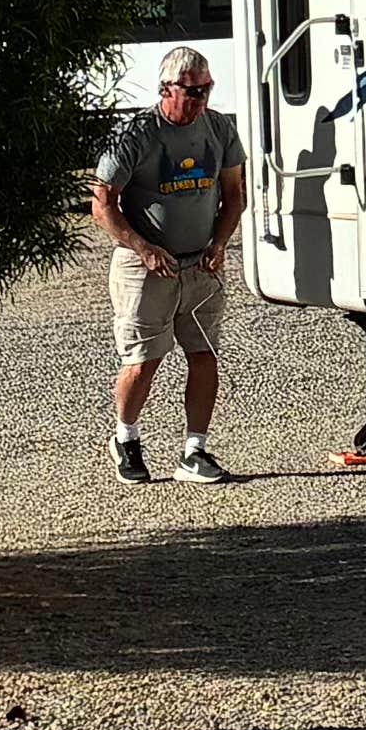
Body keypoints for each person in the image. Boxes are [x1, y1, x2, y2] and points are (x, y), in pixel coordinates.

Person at [96, 50, 246, 483]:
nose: (201, 98)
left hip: (200, 264)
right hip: (146, 267)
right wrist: (142, 248)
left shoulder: (219, 129)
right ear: (167, 90)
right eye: (192, 91)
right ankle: (126, 438)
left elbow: (234, 195)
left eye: (207, 89)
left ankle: (194, 450)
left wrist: (219, 243)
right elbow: (102, 203)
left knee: (204, 355)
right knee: (144, 359)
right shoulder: (136, 135)